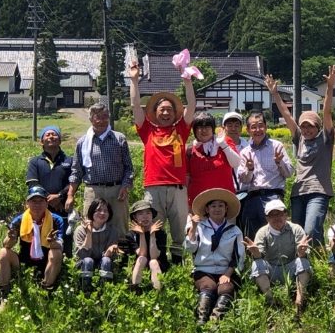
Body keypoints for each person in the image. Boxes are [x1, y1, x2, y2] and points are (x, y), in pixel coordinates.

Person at [128, 61, 196, 264]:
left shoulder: (181, 130)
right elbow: (134, 105)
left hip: (177, 188)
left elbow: (191, 106)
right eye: (161, 110)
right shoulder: (147, 129)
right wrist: (134, 80)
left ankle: (178, 267)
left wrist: (187, 82)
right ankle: (156, 264)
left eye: (169, 110)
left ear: (175, 113)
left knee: (179, 230)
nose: (165, 113)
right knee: (153, 229)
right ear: (155, 112)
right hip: (153, 187)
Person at [264, 67, 335, 246]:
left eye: (311, 126)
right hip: (298, 192)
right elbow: (286, 114)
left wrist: (329, 87)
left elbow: (326, 113)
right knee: (298, 234)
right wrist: (275, 94)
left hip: (318, 191)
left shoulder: (325, 139)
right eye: (304, 126)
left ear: (318, 127)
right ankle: (303, 264)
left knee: (311, 230)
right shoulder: (300, 138)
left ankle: (318, 262)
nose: (307, 129)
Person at [66, 103, 135, 244]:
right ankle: (90, 256)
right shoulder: (83, 142)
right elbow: (76, 170)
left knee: (120, 225)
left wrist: (125, 186)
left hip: (117, 189)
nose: (102, 120)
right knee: (90, 224)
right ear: (91, 119)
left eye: (105, 117)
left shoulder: (119, 139)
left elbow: (128, 167)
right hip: (93, 189)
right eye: (98, 117)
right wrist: (70, 195)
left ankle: (119, 257)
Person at [0, 186, 67, 309]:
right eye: (33, 201)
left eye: (40, 201)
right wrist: (11, 238)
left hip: (46, 262)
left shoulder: (56, 220)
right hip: (24, 260)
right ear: (27, 203)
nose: (37, 205)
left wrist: (52, 242)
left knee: (56, 253)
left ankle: (45, 292)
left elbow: (60, 245)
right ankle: (5, 295)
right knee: (3, 252)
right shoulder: (20, 220)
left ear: (46, 203)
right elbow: (6, 244)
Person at [186, 188, 244, 324]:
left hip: (225, 270)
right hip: (203, 270)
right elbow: (189, 248)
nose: (217, 209)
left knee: (226, 288)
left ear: (226, 208)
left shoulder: (234, 231)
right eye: (213, 206)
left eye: (220, 206)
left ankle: (215, 321)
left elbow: (238, 256)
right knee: (208, 286)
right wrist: (193, 228)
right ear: (207, 209)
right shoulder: (199, 227)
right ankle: (201, 319)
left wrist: (228, 274)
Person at [236, 112, 293, 241]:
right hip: (252, 197)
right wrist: (249, 169)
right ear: (248, 130)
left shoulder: (276, 146)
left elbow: (289, 173)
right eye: (254, 127)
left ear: (266, 127)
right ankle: (255, 260)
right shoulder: (245, 152)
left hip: (273, 195)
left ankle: (278, 260)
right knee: (251, 235)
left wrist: (279, 162)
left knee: (275, 233)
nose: (258, 130)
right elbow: (243, 180)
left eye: (261, 126)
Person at [247, 198, 311, 312]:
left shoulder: (296, 229)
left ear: (286, 214)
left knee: (303, 262)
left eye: (280, 213)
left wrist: (301, 252)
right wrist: (256, 254)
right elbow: (259, 256)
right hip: (272, 270)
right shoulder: (262, 232)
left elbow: (303, 253)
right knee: (257, 264)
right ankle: (270, 300)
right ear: (267, 218)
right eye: (272, 215)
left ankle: (300, 299)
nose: (277, 218)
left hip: (291, 267)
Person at [25, 125, 74, 254]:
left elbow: (73, 182)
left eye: (54, 134)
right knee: (40, 238)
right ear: (42, 141)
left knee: (64, 238)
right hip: (40, 208)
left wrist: (59, 196)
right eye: (47, 135)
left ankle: (65, 267)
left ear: (60, 140)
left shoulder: (69, 161)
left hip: (62, 207)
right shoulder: (35, 162)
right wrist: (48, 199)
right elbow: (33, 183)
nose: (51, 136)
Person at [186, 113, 240, 206]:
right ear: (194, 130)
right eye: (199, 127)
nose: (203, 130)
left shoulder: (225, 141)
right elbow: (187, 178)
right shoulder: (190, 150)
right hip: (198, 203)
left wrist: (223, 144)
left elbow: (236, 163)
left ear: (212, 128)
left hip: (224, 202)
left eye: (207, 126)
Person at [73, 199, 122, 292]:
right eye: (99, 210)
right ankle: (85, 290)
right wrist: (89, 233)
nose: (102, 213)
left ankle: (104, 291)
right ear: (92, 212)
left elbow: (113, 257)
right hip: (84, 263)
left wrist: (108, 253)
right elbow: (81, 255)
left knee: (106, 260)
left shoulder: (113, 230)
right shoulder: (80, 230)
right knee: (88, 261)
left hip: (103, 263)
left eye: (106, 211)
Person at [128, 198, 167, 290]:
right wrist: (141, 234)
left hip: (158, 266)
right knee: (142, 258)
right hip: (139, 266)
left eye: (148, 213)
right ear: (135, 217)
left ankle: (158, 292)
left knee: (153, 262)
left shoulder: (160, 233)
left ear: (152, 215)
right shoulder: (131, 235)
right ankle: (135, 290)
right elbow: (142, 254)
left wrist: (152, 234)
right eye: (140, 214)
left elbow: (154, 256)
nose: (145, 217)